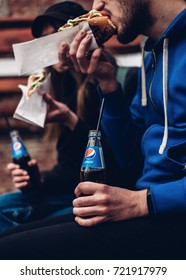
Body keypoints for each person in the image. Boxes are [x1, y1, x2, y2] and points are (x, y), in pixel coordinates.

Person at [1, 0, 184, 260]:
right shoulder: (151, 54)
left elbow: (117, 172)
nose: (98, 4)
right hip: (142, 205)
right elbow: (129, 157)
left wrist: (142, 201)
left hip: (166, 216)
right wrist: (107, 83)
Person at [0, 1, 136, 233]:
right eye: (45, 40)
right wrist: (36, 180)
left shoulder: (116, 81)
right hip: (69, 191)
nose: (52, 48)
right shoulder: (62, 87)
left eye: (56, 36)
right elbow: (69, 168)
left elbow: (121, 166)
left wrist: (71, 120)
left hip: (108, 194)